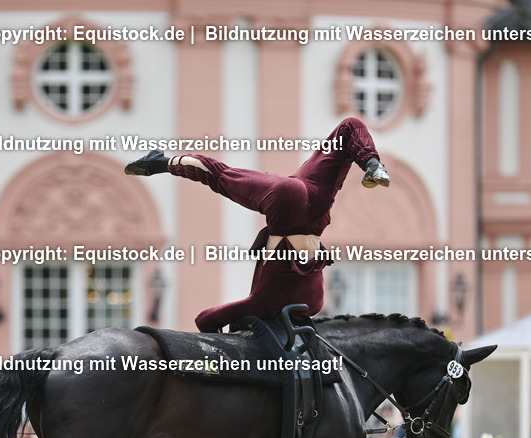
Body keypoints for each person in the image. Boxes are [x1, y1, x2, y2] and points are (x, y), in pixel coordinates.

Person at [125, 117, 391, 332]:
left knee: (348, 128)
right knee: (219, 175)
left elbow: (206, 319)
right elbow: (205, 320)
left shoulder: (314, 301)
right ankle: (158, 163)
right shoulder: (267, 302)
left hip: (315, 206)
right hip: (288, 200)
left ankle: (373, 164)